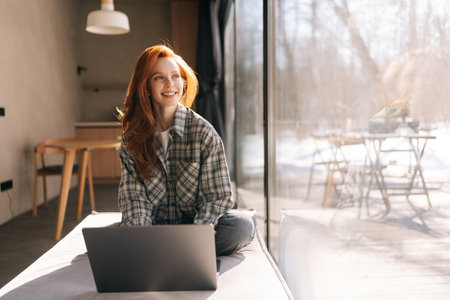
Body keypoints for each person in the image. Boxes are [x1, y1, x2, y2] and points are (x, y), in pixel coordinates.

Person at [117, 44, 255, 256]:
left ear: (183, 81)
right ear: (145, 86)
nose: (170, 84)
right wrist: (139, 235)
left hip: (196, 227)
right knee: (115, 235)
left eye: (175, 76)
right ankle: (164, 251)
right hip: (154, 229)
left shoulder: (203, 134)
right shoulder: (132, 139)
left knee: (241, 227)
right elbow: (134, 199)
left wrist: (195, 239)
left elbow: (217, 198)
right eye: (159, 77)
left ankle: (171, 253)